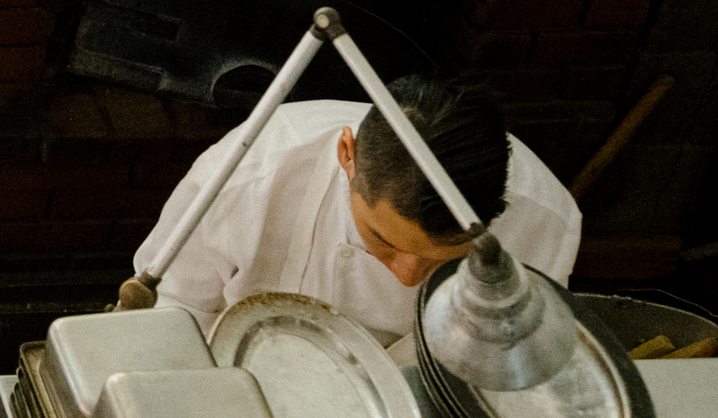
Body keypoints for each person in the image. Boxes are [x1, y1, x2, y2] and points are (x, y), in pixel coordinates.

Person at [133, 76, 580, 353]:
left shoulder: (545, 222)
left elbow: (506, 356)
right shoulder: (248, 173)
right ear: (347, 154)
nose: (408, 277)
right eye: (383, 241)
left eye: (444, 256)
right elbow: (177, 307)